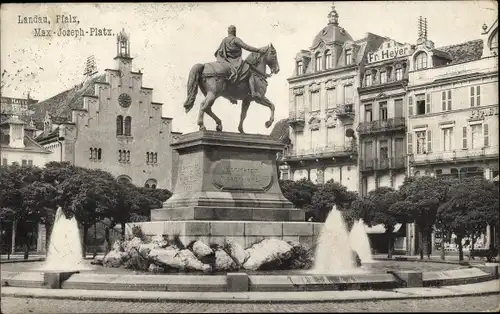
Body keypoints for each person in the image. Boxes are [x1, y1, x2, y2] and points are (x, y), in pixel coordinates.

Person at [215, 25, 268, 101]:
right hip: (235, 61)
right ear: (234, 31)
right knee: (250, 72)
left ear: (228, 31)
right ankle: (253, 92)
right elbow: (246, 47)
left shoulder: (224, 40)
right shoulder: (236, 39)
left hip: (226, 61)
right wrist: (258, 50)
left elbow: (219, 52)